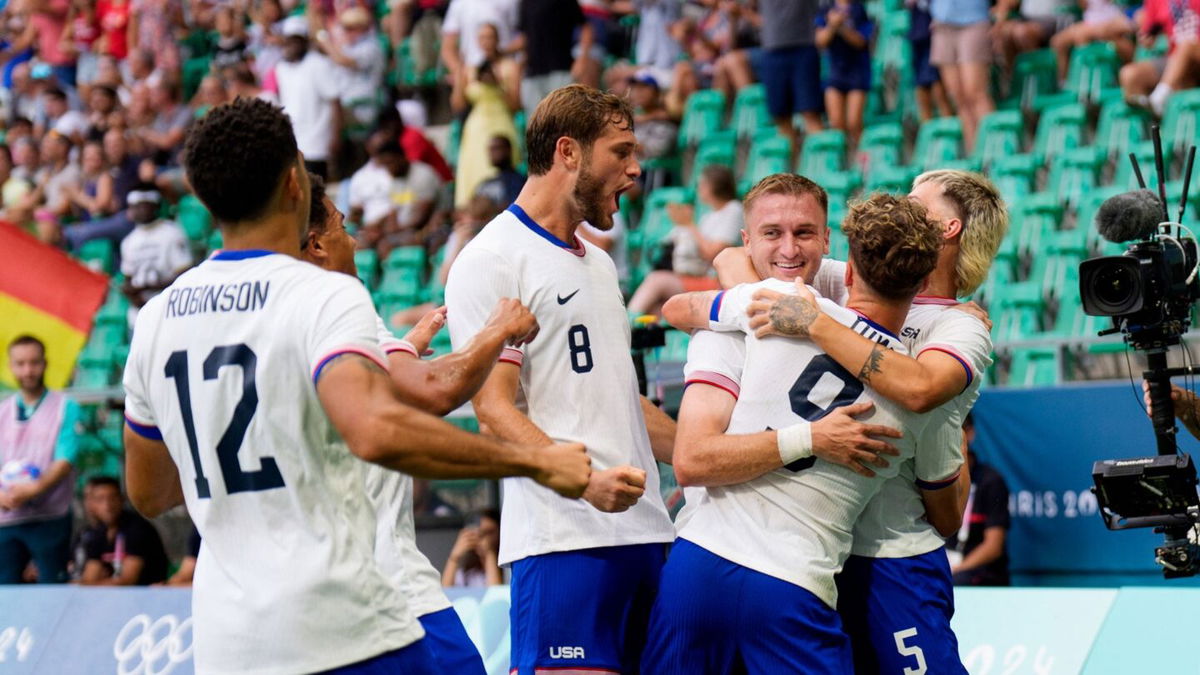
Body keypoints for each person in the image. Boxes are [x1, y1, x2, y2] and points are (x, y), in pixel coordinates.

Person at [120, 98, 590, 674]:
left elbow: (150, 493)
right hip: (340, 629)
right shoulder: (322, 294)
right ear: (295, 184)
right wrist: (535, 462)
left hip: (227, 645)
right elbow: (376, 429)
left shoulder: (157, 317)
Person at [706, 169, 1008, 673]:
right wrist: (760, 309)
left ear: (948, 229)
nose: (899, 206)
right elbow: (732, 257)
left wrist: (813, 323)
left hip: (893, 555)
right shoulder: (855, 275)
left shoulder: (959, 326)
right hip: (818, 553)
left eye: (916, 201)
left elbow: (919, 389)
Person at [642, 191, 944, 673]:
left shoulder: (786, 303)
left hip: (699, 567)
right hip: (791, 583)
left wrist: (740, 291)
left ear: (844, 270)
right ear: (925, 281)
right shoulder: (920, 396)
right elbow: (946, 508)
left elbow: (678, 308)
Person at [445, 84, 677, 675]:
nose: (636, 168)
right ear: (568, 152)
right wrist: (582, 482)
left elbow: (619, 397)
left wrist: (706, 458)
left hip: (648, 534)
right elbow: (493, 410)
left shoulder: (598, 262)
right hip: (563, 541)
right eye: (620, 151)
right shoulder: (492, 258)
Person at [302, 173, 530, 674]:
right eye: (342, 227)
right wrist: (499, 332)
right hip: (390, 584)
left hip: (313, 600)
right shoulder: (343, 309)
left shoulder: (288, 317)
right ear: (317, 244)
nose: (355, 239)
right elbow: (435, 391)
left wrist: (406, 348)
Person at [0, 335, 80, 584]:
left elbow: (65, 460)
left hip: (50, 518)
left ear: (45, 364)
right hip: (6, 518)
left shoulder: (65, 408)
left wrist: (35, 489)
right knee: (5, 593)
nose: (28, 370)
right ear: (11, 366)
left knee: (51, 589)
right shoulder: (2, 411)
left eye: (34, 362)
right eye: (21, 363)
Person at [628, 164, 742, 316]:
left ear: (714, 185)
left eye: (701, 184)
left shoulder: (733, 209)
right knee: (655, 307)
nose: (698, 189)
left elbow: (712, 254)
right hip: (699, 275)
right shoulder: (708, 215)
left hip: (718, 282)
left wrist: (689, 224)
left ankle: (626, 322)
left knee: (656, 280)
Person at [273, 15, 341, 179]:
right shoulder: (281, 68)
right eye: (288, 40)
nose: (291, 45)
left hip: (317, 142)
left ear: (304, 41)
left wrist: (335, 136)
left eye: (296, 41)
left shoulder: (319, 64)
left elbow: (335, 102)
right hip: (294, 142)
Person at [118, 184, 193, 328]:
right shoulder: (128, 241)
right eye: (135, 206)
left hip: (169, 312)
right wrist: (132, 295)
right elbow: (128, 277)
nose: (140, 210)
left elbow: (185, 276)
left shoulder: (172, 233)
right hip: (138, 317)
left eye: (144, 205)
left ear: (156, 206)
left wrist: (149, 288)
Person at [949, 413, 1011, 585]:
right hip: (945, 563)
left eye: (953, 431)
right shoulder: (932, 478)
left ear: (969, 433)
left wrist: (957, 570)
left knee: (955, 582)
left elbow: (993, 546)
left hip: (979, 574)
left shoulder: (991, 481)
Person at [77, 476, 169, 585]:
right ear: (91, 504)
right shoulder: (97, 532)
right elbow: (89, 578)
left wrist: (95, 584)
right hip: (111, 596)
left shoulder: (137, 528)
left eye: (112, 498)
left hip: (146, 597)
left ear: (122, 499)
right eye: (100, 499)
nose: (107, 505)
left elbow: (128, 580)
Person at [930, 0, 993, 151]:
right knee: (958, 97)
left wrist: (1002, 14)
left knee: (975, 93)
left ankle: (993, 148)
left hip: (974, 20)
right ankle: (975, 153)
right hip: (941, 23)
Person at [816, 0, 874, 150]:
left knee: (854, 123)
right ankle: (842, 163)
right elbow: (820, 40)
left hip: (857, 73)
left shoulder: (859, 9)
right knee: (836, 124)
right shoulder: (826, 9)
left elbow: (860, 41)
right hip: (835, 73)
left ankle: (864, 159)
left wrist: (841, 27)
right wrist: (832, 25)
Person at [442, 508, 502, 587]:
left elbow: (496, 594)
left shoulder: (508, 570)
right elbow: (445, 592)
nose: (483, 537)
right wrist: (454, 557)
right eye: (480, 533)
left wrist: (489, 555)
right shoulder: (467, 573)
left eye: (489, 532)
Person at [474, 135, 525, 208]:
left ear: (508, 150)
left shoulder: (518, 181)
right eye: (490, 149)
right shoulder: (485, 183)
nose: (491, 153)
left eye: (496, 148)